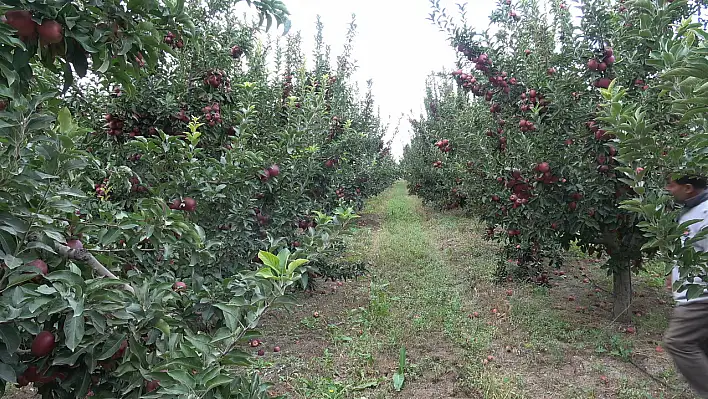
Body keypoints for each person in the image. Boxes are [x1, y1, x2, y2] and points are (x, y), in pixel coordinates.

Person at [663, 174, 708, 398]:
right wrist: (675, 274)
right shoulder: (691, 211)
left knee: (678, 342)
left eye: (672, 185)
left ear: (688, 188)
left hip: (700, 297)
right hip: (692, 290)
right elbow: (692, 250)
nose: (668, 189)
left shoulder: (705, 214)